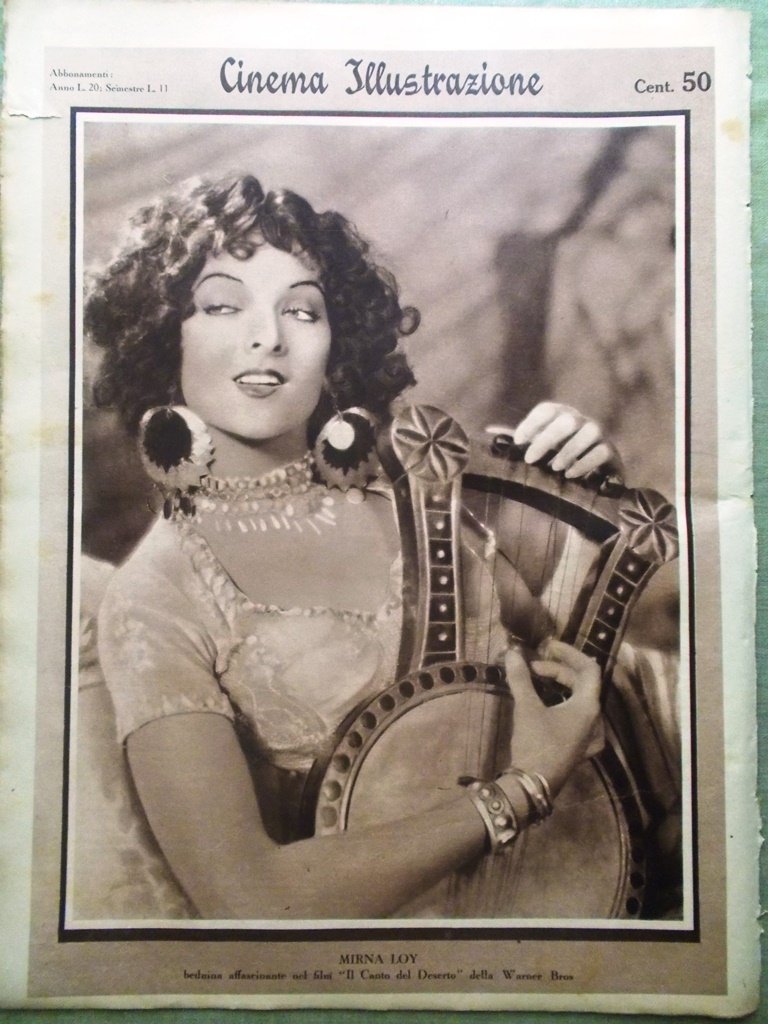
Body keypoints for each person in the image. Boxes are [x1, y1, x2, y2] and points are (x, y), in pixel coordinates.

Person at [80, 174, 666, 921]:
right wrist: (520, 790)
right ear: (165, 336)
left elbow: (578, 668)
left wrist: (587, 490)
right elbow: (248, 896)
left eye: (302, 309)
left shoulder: (422, 502)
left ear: (335, 344)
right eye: (224, 305)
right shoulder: (156, 597)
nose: (269, 336)